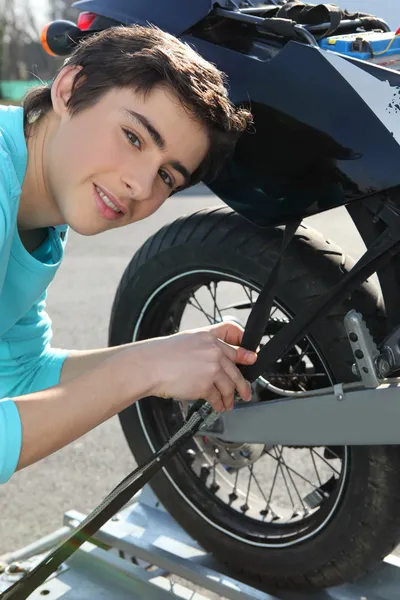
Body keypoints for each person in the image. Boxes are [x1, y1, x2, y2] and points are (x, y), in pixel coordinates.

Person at [0, 25, 255, 485]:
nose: (140, 185)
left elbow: (18, 374)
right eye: (134, 138)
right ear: (69, 89)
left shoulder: (36, 210)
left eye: (167, 177)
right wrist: (141, 371)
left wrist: (165, 355)